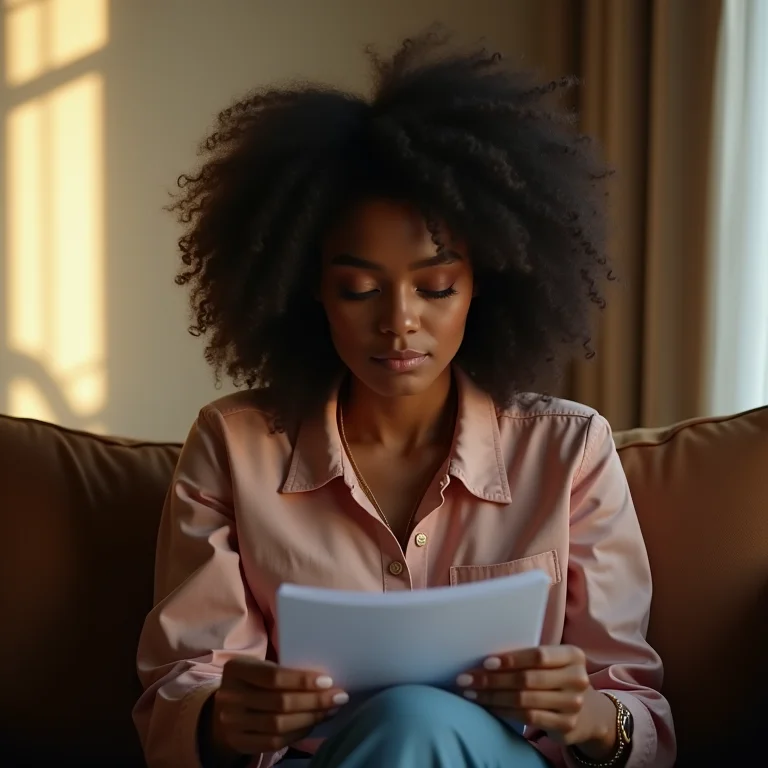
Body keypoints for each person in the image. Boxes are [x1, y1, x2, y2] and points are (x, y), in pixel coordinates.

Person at [133, 31, 675, 768]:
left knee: (417, 720)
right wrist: (224, 720)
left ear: (485, 283)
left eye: (436, 286)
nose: (398, 322)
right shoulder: (234, 447)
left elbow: (639, 715)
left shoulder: (569, 450)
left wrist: (586, 716)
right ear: (309, 290)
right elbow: (182, 689)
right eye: (358, 288)